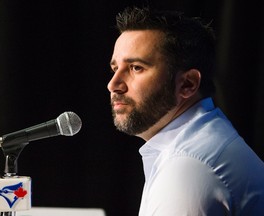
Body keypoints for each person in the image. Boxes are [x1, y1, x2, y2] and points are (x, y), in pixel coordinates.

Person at [107, 6, 264, 215]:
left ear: (188, 84)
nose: (113, 84)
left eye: (136, 67)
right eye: (115, 68)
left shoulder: (188, 169)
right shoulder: (201, 141)